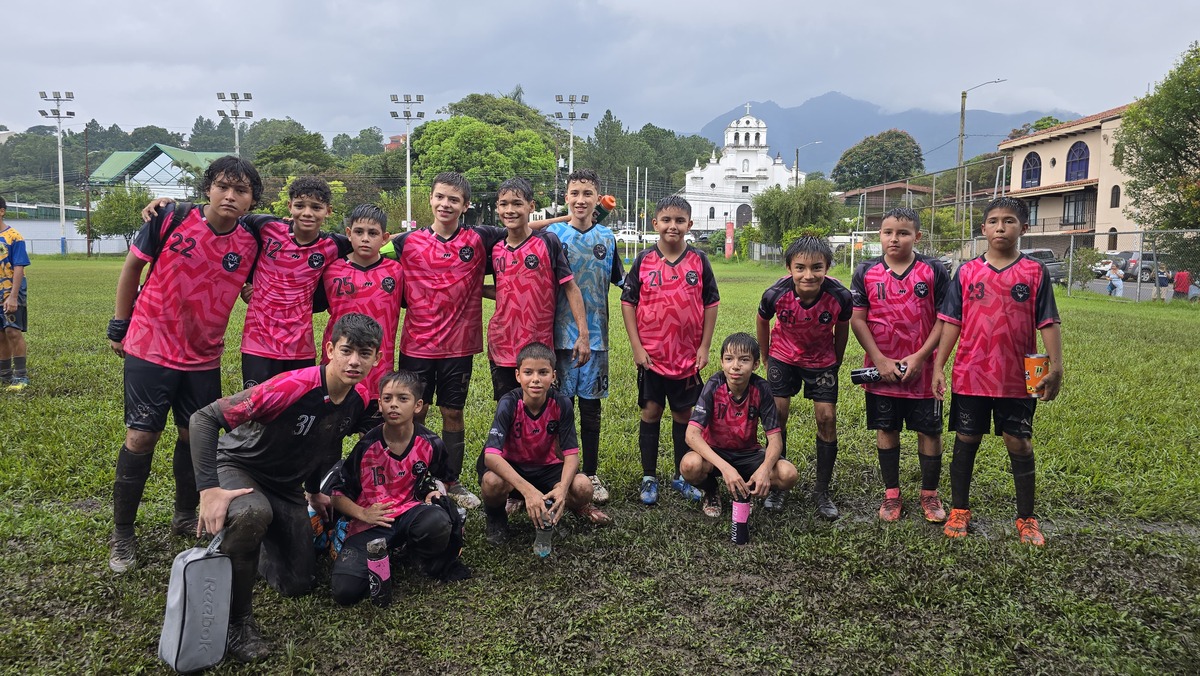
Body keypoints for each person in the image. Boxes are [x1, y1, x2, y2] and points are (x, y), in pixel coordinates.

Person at [190, 313, 384, 662]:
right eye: (346, 351)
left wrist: (314, 490)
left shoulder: (357, 398)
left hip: (285, 487)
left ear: (377, 358)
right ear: (330, 350)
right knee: (252, 514)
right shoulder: (291, 386)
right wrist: (208, 490)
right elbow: (204, 418)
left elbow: (326, 441)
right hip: (238, 466)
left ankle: (245, 547)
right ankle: (238, 624)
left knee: (298, 582)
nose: (354, 361)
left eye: (364, 354)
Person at [106, 156, 263, 573]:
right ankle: (122, 533)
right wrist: (119, 324)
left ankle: (182, 513)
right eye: (222, 186)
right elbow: (132, 268)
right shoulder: (170, 218)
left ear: (252, 200)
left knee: (193, 436)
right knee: (141, 436)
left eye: (241, 190)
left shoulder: (253, 240)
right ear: (208, 188)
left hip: (203, 356)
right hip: (150, 346)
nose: (229, 196)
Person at [932, 196, 1063, 546]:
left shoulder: (1035, 272)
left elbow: (1048, 321)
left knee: (1018, 441)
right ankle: (959, 509)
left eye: (1009, 221)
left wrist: (1057, 367)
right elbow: (951, 322)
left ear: (1024, 228)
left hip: (1018, 377)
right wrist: (939, 366)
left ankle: (1027, 517)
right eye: (993, 221)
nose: (1000, 227)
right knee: (966, 438)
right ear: (983, 228)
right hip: (971, 373)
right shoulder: (966, 272)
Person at [139, 178, 349, 388]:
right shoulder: (267, 225)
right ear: (289, 206)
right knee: (255, 403)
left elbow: (364, 240)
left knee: (296, 403)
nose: (307, 213)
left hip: (300, 347)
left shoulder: (334, 244)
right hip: (258, 343)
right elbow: (223, 214)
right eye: (300, 206)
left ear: (328, 211)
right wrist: (174, 206)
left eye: (316, 208)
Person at [382, 172, 507, 510]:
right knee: (414, 412)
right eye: (440, 197)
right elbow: (367, 249)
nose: (445, 204)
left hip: (458, 347)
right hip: (416, 345)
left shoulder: (479, 239)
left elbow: (522, 228)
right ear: (431, 199)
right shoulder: (406, 242)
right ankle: (412, 479)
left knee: (453, 412)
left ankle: (451, 481)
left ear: (465, 205)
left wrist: (569, 218)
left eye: (454, 199)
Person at [326, 370, 469, 607]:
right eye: (387, 398)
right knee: (345, 592)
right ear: (380, 405)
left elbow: (443, 479)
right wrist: (363, 513)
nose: (394, 404)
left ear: (417, 406)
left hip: (411, 512)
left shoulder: (431, 442)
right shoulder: (366, 446)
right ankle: (375, 546)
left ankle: (414, 550)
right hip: (372, 522)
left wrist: (435, 491)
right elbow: (337, 496)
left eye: (403, 398)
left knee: (437, 521)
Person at [849, 208, 950, 523]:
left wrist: (920, 357)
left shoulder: (934, 270)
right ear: (880, 235)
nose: (894, 239)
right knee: (887, 428)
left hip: (924, 373)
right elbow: (858, 319)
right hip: (882, 372)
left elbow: (945, 319)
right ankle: (891, 494)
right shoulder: (866, 271)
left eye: (903, 233)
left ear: (917, 236)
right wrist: (879, 360)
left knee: (929, 431)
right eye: (888, 232)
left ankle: (929, 494)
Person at [622, 195, 719, 506]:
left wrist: (704, 346)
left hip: (687, 357)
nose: (672, 226)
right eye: (666, 220)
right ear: (655, 224)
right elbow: (628, 303)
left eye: (679, 220)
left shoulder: (699, 261)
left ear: (689, 224)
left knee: (684, 414)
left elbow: (711, 303)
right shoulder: (643, 260)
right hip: (651, 357)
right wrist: (637, 347)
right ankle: (649, 477)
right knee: (651, 412)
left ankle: (681, 475)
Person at [756, 236, 852, 519]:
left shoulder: (840, 295)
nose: (808, 275)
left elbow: (843, 327)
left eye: (816, 267)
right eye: (800, 268)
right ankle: (778, 484)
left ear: (827, 267)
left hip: (821, 361)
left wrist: (837, 359)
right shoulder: (775, 293)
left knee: (827, 418)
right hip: (783, 357)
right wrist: (765, 355)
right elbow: (762, 320)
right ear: (789, 268)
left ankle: (822, 491)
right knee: (778, 415)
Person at [545, 169, 624, 509]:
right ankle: (558, 472)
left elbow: (623, 281)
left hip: (596, 340)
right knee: (559, 409)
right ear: (566, 198)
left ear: (597, 198)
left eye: (587, 193)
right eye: (574, 193)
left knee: (591, 410)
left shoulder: (607, 236)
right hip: (557, 338)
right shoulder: (552, 235)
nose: (580, 200)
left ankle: (590, 473)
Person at [479, 342, 599, 546]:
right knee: (491, 482)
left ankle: (556, 505)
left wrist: (563, 488)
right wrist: (528, 491)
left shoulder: (562, 403)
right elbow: (490, 456)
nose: (535, 379)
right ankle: (496, 519)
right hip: (515, 470)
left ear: (553, 376)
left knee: (583, 487)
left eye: (543, 372)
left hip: (548, 470)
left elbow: (571, 454)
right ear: (518, 376)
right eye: (528, 372)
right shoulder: (508, 403)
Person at [485, 176, 590, 400]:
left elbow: (570, 288)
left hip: (539, 346)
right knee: (508, 409)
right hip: (502, 345)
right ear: (497, 208)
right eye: (504, 204)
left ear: (531, 206)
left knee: (541, 409)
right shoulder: (494, 248)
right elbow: (502, 288)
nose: (510, 210)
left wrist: (583, 335)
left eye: (517, 203)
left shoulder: (547, 242)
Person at [680, 333, 798, 518]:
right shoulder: (713, 385)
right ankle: (711, 491)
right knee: (689, 465)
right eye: (729, 359)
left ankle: (746, 490)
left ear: (756, 364)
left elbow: (775, 440)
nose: (735, 366)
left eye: (744, 360)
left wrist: (764, 470)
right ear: (722, 362)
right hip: (715, 451)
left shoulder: (762, 388)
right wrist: (726, 468)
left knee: (788, 474)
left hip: (748, 453)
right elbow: (691, 435)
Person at [320, 204, 403, 400]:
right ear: (349, 234)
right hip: (339, 360)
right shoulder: (331, 269)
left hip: (378, 363)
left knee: (373, 416)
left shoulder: (397, 271)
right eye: (359, 232)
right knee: (333, 412)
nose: (365, 238)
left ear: (385, 238)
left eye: (373, 233)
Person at [0, 196, 31, 391]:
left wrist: (13, 296)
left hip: (11, 291)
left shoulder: (14, 237)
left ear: (2, 211)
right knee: (0, 334)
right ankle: (4, 375)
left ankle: (21, 376)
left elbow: (19, 267)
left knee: (12, 330)